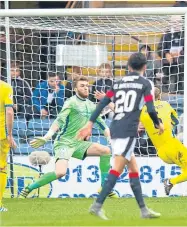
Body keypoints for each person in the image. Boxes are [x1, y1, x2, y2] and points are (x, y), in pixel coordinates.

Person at [77, 53, 162, 220]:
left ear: (128, 67)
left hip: (115, 128)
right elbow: (151, 109)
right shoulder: (145, 83)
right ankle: (97, 205)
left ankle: (144, 210)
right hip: (128, 130)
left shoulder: (118, 82)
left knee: (133, 168)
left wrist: (89, 124)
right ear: (144, 67)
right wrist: (158, 123)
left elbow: (102, 103)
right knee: (117, 168)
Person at [20, 76, 117, 199]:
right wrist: (47, 137)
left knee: (106, 151)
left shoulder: (92, 105)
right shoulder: (70, 102)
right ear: (75, 89)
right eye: (82, 86)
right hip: (64, 142)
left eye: (87, 86)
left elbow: (103, 126)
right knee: (61, 172)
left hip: (79, 144)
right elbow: (59, 120)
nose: (86, 88)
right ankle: (29, 187)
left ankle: (104, 187)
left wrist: (109, 138)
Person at [0, 79, 17, 212]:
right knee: (1, 168)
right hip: (1, 135)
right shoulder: (5, 87)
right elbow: (9, 112)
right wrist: (10, 134)